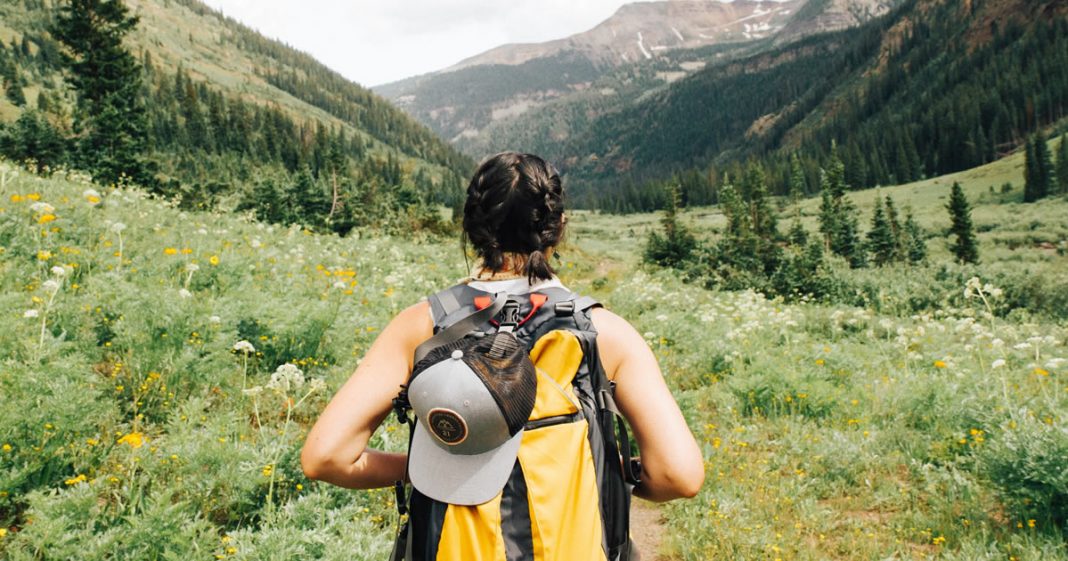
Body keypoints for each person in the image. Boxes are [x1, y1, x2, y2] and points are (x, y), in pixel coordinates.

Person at [301, 151, 704, 556]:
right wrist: (613, 473)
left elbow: (326, 457)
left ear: (471, 227)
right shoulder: (604, 333)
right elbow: (679, 475)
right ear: (558, 227)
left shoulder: (422, 326)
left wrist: (417, 468)